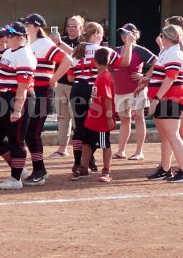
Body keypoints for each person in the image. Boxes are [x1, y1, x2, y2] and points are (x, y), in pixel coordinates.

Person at [21, 13, 71, 186]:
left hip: (42, 91)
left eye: (28, 24)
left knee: (33, 133)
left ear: (36, 26)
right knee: (28, 133)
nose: (25, 27)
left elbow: (67, 60)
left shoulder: (44, 43)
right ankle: (38, 169)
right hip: (30, 91)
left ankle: (39, 170)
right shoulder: (27, 44)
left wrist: (53, 79)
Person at [0, 21, 37, 190]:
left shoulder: (25, 55)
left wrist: (17, 109)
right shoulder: (8, 52)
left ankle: (16, 178)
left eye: (9, 35)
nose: (5, 38)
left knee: (16, 139)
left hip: (19, 98)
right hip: (4, 96)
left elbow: (23, 85)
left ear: (19, 37)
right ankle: (19, 168)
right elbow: (0, 78)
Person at [146, 24, 183, 183]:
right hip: (167, 97)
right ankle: (165, 169)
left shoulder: (174, 53)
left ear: (167, 37)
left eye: (162, 36)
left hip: (170, 98)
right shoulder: (167, 52)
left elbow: (170, 78)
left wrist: (156, 99)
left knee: (173, 136)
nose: (160, 38)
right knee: (167, 136)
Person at [68, 22, 114, 174]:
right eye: (101, 34)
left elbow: (70, 77)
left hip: (77, 89)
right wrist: (128, 44)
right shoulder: (103, 51)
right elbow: (124, 62)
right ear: (95, 34)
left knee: (79, 128)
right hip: (94, 89)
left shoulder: (76, 50)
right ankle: (89, 160)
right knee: (94, 127)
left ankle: (79, 163)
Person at [112, 23, 156, 161]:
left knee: (138, 117)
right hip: (119, 90)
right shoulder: (115, 50)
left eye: (127, 33)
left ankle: (139, 152)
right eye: (122, 33)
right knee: (124, 119)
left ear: (135, 34)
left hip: (136, 89)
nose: (124, 35)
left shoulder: (140, 50)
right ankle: (121, 151)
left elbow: (157, 62)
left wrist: (145, 76)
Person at [73, 47, 116, 182]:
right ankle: (84, 168)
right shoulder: (102, 76)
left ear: (94, 61)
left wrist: (109, 117)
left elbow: (108, 99)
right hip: (93, 117)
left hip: (101, 119)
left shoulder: (104, 77)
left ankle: (106, 171)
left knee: (104, 145)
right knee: (86, 143)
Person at [53, 15, 83, 156]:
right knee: (62, 116)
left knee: (76, 117)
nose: (71, 28)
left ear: (81, 28)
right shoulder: (62, 40)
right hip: (60, 82)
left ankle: (80, 148)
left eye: (75, 26)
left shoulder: (84, 42)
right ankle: (62, 148)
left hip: (76, 84)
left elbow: (76, 54)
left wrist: (59, 43)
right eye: (69, 26)